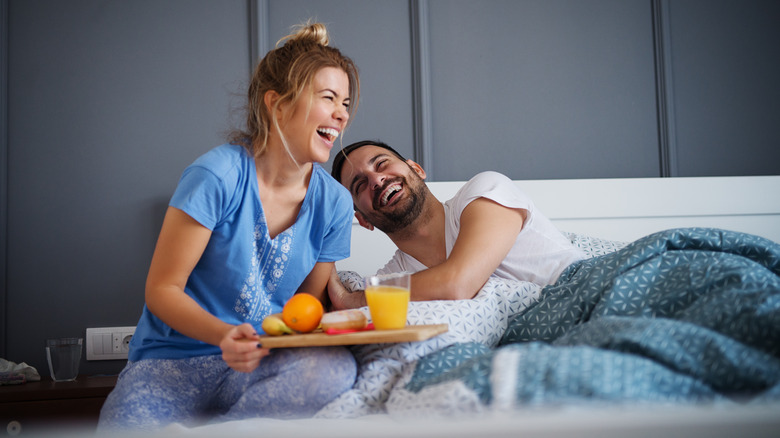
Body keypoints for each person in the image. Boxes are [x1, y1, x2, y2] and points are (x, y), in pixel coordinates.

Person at [99, 22, 360, 430]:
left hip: (260, 363)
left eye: (346, 102)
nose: (342, 114)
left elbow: (302, 311)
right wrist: (223, 336)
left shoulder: (336, 204)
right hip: (173, 362)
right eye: (328, 98)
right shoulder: (216, 175)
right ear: (277, 104)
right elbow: (162, 289)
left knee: (334, 372)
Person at [327, 140, 584, 309]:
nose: (377, 179)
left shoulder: (483, 190)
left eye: (381, 163)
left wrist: (351, 300)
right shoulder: (391, 280)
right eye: (360, 185)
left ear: (416, 169)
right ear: (363, 220)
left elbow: (458, 282)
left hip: (587, 294)